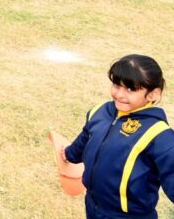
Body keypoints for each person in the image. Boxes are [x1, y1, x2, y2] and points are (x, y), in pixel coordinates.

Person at [61, 54, 174, 219]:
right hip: (93, 205)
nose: (119, 94)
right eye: (116, 85)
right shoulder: (100, 111)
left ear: (153, 94)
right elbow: (86, 137)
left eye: (130, 89)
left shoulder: (159, 135)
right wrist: (70, 153)